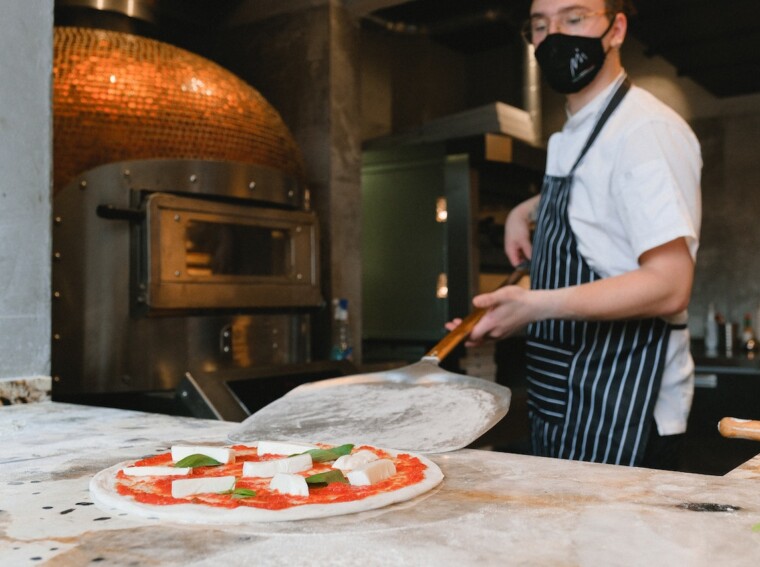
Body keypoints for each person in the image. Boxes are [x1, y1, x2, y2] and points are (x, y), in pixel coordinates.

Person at [447, 0, 701, 469]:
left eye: (575, 18)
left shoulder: (645, 131)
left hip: (623, 404)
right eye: (541, 25)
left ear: (616, 29)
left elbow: (670, 285)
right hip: (565, 398)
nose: (556, 35)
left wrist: (534, 306)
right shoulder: (574, 135)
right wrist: (526, 211)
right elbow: (598, 203)